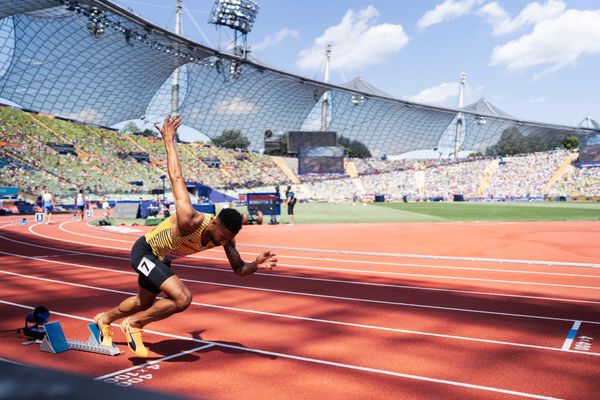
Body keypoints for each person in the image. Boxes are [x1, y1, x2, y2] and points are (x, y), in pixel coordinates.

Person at [93, 114, 278, 358]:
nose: (222, 242)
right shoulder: (190, 218)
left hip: (162, 260)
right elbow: (176, 177)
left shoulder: (226, 238)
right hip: (145, 252)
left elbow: (239, 270)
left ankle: (104, 319)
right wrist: (169, 139)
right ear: (214, 222)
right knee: (182, 298)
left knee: (144, 302)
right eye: (220, 237)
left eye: (226, 240)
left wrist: (255, 265)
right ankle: (134, 325)